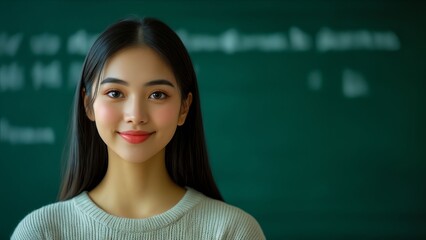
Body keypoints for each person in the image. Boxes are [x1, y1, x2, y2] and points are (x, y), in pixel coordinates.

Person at [11, 17, 265, 239]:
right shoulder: (42, 232)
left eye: (157, 95)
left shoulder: (232, 232)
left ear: (184, 108)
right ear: (88, 105)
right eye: (115, 93)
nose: (136, 116)